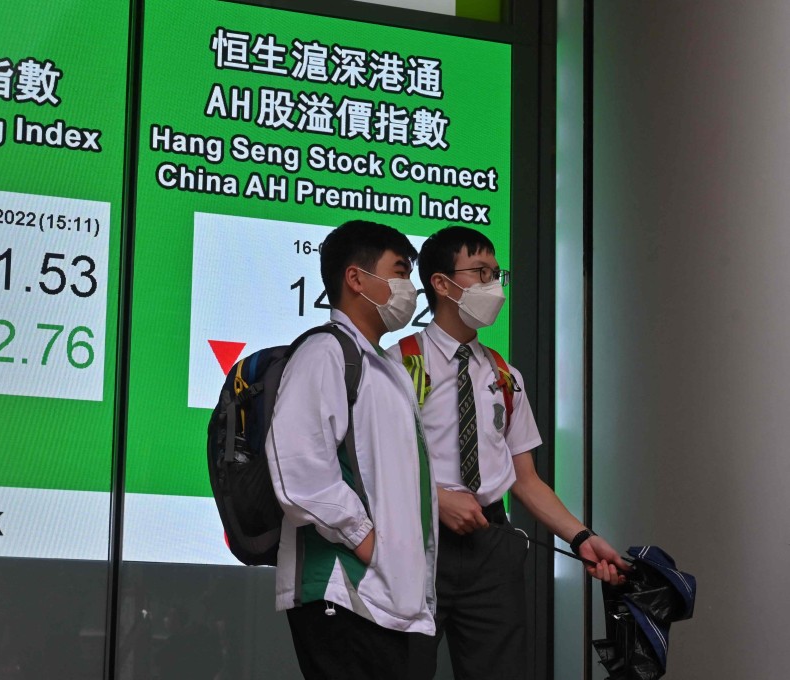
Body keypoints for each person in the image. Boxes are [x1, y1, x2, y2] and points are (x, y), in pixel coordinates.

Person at [385, 226, 629, 680]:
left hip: (491, 546)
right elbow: (376, 470)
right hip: (415, 544)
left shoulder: (504, 373)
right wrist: (437, 500)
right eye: (480, 272)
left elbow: (526, 480)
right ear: (440, 283)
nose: (494, 285)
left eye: (498, 274)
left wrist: (581, 537)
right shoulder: (400, 363)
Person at [266, 220, 438, 680]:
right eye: (399, 272)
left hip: (384, 596)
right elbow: (298, 469)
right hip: (342, 589)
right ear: (356, 279)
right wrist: (370, 543)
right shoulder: (325, 352)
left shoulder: (385, 366)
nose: (409, 289)